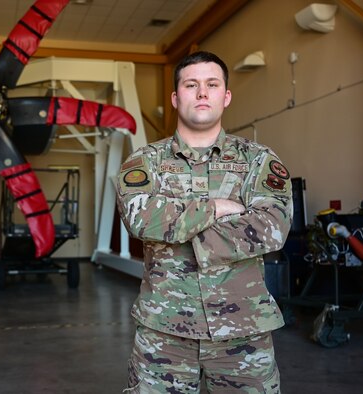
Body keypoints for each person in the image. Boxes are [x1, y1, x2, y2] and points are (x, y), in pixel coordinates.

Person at [116, 51, 293, 393]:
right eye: (191, 84)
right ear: (175, 97)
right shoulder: (145, 161)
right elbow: (140, 219)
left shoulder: (257, 159)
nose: (201, 93)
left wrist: (179, 230)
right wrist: (215, 208)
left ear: (225, 96)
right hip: (164, 335)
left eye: (212, 84)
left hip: (243, 334)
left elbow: (272, 226)